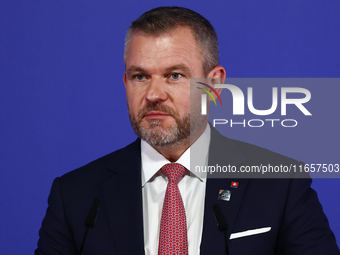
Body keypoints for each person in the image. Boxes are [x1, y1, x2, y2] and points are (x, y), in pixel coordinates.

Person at [35, 6, 339, 255]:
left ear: (214, 84)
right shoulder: (76, 196)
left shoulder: (280, 184)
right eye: (140, 76)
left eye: (174, 75)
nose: (154, 93)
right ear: (125, 82)